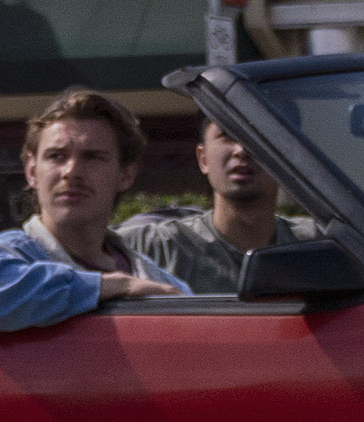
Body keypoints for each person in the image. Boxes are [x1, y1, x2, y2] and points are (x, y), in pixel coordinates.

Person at [0, 89, 183, 333]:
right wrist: (110, 286)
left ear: (126, 174)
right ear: (31, 171)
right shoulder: (6, 259)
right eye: (56, 156)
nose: (71, 171)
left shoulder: (157, 282)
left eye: (93, 157)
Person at [119, 114, 321, 296]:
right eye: (227, 135)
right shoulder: (159, 246)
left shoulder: (317, 246)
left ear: (286, 159)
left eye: (257, 135)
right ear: (203, 158)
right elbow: (89, 260)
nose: (241, 150)